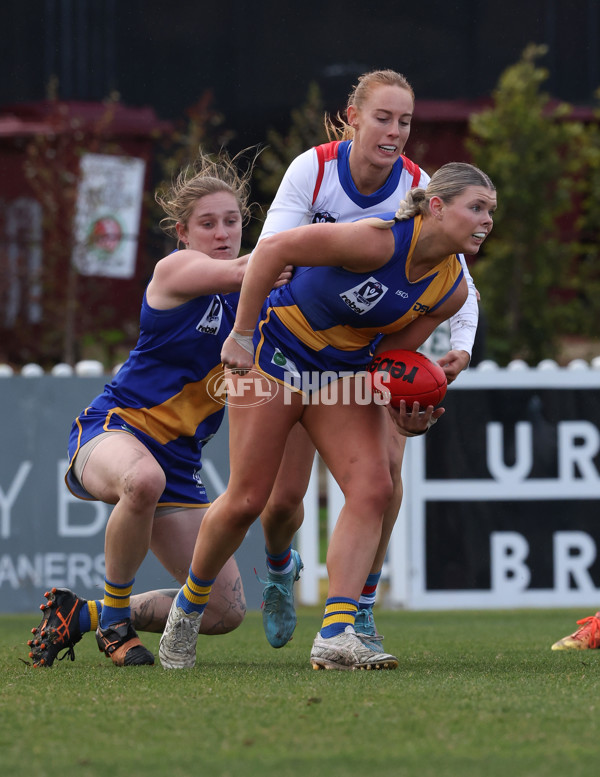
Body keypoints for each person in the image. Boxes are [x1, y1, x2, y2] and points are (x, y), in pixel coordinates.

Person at [158, 161, 496, 671]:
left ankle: (336, 632)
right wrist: (242, 334)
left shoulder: (450, 292)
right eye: (477, 207)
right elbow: (272, 250)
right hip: (275, 355)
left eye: (491, 211)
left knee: (375, 488)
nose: (487, 220)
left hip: (339, 374)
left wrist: (404, 412)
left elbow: (387, 362)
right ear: (437, 206)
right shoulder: (376, 242)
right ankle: (186, 610)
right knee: (249, 501)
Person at [252, 69, 480, 651]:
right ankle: (280, 568)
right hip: (300, 339)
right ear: (352, 116)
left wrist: (462, 346)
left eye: (405, 121)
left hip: (375, 346)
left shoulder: (419, 184)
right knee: (281, 502)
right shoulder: (315, 169)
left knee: (384, 479)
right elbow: (274, 254)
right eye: (383, 117)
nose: (396, 130)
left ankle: (357, 610)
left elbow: (459, 282)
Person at [27, 151, 281, 667]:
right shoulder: (176, 270)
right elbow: (243, 270)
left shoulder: (260, 299)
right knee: (142, 480)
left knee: (224, 611)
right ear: (183, 233)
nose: (221, 232)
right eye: (207, 223)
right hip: (114, 431)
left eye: (231, 221)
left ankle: (85, 615)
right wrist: (321, 244)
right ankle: (118, 620)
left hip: (180, 464)